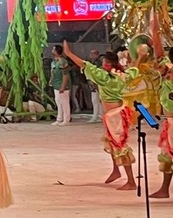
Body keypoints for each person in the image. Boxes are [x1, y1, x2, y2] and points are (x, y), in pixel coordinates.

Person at [62, 42, 136, 190]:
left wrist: (69, 54)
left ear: (109, 64)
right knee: (112, 142)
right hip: (116, 113)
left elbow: (85, 65)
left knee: (120, 145)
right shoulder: (122, 75)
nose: (102, 66)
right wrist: (138, 57)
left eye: (104, 64)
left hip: (114, 116)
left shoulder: (105, 77)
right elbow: (134, 70)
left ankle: (131, 181)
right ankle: (116, 171)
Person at [151, 49, 173, 199]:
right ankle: (164, 189)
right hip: (169, 121)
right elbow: (158, 54)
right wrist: (154, 30)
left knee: (168, 156)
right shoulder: (168, 69)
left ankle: (164, 189)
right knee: (167, 156)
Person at [50, 44, 71, 125]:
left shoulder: (63, 62)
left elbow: (65, 75)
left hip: (62, 85)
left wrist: (63, 86)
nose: (52, 50)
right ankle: (59, 118)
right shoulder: (54, 61)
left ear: (56, 51)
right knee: (58, 101)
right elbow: (52, 72)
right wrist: (51, 81)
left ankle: (66, 119)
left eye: (53, 49)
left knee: (64, 102)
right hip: (56, 84)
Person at [88, 49, 103, 123]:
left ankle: (98, 116)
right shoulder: (92, 63)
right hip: (92, 84)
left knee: (98, 101)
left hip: (96, 84)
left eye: (93, 53)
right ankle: (98, 115)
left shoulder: (98, 63)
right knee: (95, 101)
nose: (91, 55)